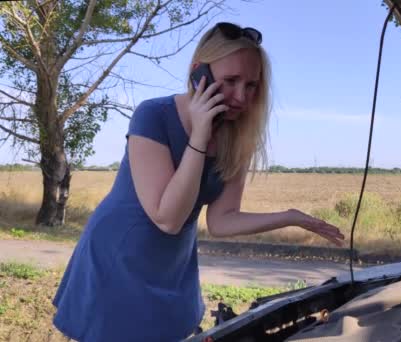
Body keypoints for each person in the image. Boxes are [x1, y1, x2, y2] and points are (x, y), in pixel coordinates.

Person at [52, 22, 345, 342]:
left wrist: (290, 216)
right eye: (231, 81)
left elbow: (221, 221)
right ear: (198, 72)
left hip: (172, 265)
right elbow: (168, 217)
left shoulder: (237, 137)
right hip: (118, 255)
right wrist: (200, 137)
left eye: (251, 86)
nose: (241, 97)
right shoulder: (152, 115)